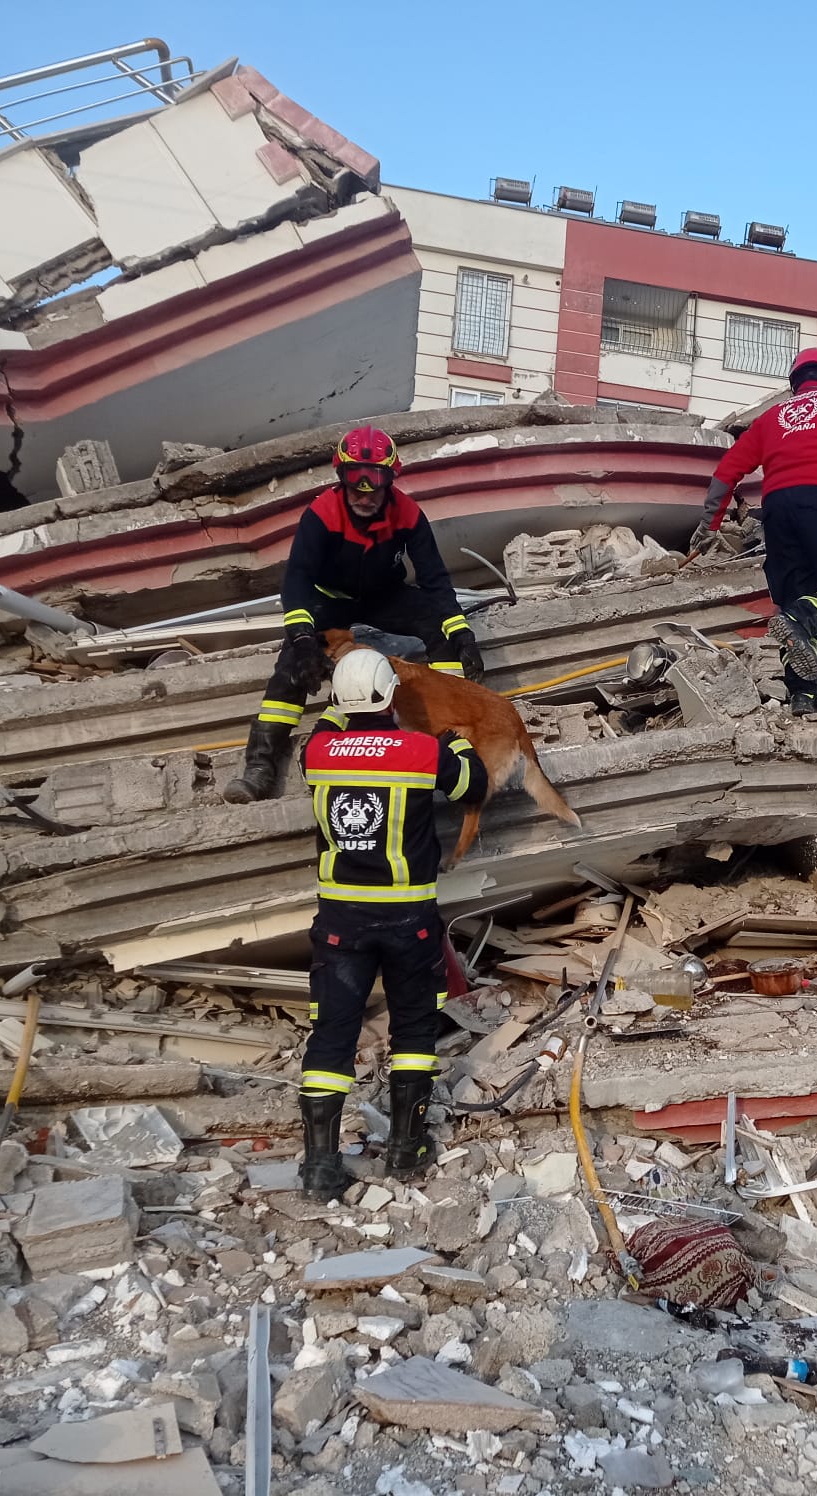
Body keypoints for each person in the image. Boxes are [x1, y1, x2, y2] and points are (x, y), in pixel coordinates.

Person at [296, 648, 489, 1198]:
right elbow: (471, 786)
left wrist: (336, 711)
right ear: (388, 696)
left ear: (339, 701)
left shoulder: (320, 753)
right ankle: (406, 1149)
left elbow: (326, 727)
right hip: (408, 918)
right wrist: (453, 741)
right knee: (413, 1027)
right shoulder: (421, 750)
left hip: (340, 923)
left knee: (332, 1033)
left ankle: (320, 1168)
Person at [223, 426, 485, 803]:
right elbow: (297, 578)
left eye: (375, 483)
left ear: (390, 480)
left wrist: (463, 634)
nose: (364, 493)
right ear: (341, 477)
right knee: (290, 668)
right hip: (330, 600)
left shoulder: (408, 513)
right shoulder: (321, 514)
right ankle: (261, 766)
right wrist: (300, 638)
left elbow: (435, 579)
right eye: (355, 482)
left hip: (387, 595)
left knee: (442, 633)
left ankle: (455, 730)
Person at [692, 348, 817, 715]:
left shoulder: (771, 419)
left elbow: (727, 471)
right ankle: (799, 621)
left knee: (798, 595)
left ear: (794, 385)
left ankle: (804, 697)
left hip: (778, 513)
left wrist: (710, 524)